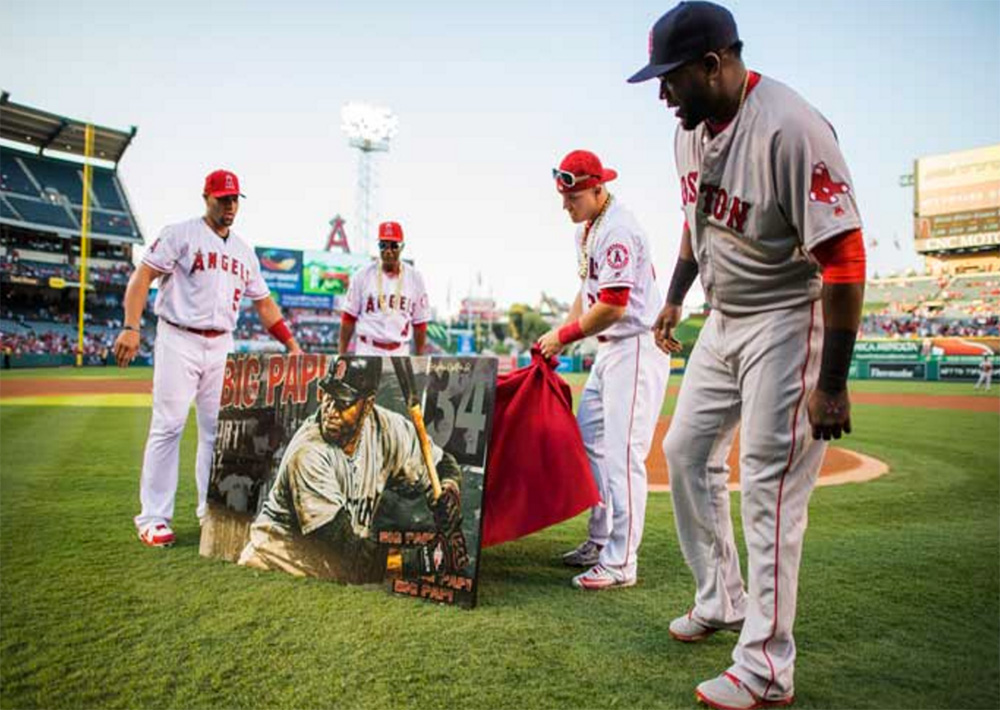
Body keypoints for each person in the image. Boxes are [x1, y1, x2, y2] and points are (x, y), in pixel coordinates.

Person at [627, 3, 866, 708]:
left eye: (671, 79)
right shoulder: (690, 131)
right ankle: (722, 596)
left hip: (788, 318)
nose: (663, 95)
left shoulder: (792, 128)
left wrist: (832, 383)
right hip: (724, 317)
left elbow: (846, 258)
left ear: (714, 64)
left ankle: (766, 665)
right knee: (686, 449)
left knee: (768, 485)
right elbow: (693, 222)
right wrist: (675, 295)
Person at [113, 169, 301, 548]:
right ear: (206, 197)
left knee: (218, 432)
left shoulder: (244, 250)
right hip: (178, 336)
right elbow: (142, 277)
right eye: (223, 199)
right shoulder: (180, 234)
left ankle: (209, 508)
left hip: (221, 344)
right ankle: (153, 517)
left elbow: (263, 303)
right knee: (168, 425)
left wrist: (291, 344)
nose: (230, 206)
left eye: (234, 199)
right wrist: (131, 326)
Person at [537, 150, 670, 591]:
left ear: (598, 189)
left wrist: (565, 336)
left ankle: (620, 562)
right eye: (563, 195)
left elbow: (612, 307)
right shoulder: (589, 228)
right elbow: (588, 295)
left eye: (572, 196)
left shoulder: (618, 230)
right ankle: (600, 538)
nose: (565, 205)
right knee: (589, 437)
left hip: (634, 347)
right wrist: (560, 332)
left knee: (622, 454)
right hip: (610, 351)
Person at [238, 356, 468, 583]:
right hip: (271, 567)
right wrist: (421, 561)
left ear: (367, 405)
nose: (330, 410)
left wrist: (449, 491)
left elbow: (443, 464)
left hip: (321, 574)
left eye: (343, 401)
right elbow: (349, 556)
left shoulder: (387, 429)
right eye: (328, 396)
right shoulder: (308, 453)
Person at [339, 221, 431, 356]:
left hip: (399, 351)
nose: (388, 251)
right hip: (368, 349)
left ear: (402, 247)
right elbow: (348, 318)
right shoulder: (362, 275)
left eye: (394, 246)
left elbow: (420, 324)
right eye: (383, 245)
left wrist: (420, 359)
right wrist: (341, 354)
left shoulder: (415, 278)